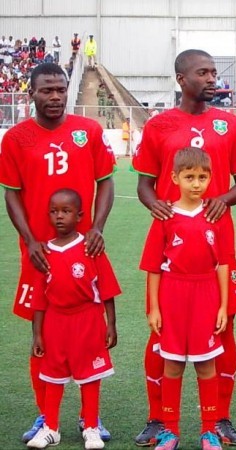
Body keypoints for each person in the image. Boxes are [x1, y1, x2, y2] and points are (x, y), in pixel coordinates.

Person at [132, 49, 236, 447]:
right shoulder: (159, 125)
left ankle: (219, 419)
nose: (212, 78)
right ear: (181, 79)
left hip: (218, 246)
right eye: (203, 72)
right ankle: (157, 419)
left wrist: (225, 199)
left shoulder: (230, 124)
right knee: (161, 329)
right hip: (173, 247)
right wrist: (155, 204)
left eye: (214, 72)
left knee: (224, 327)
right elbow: (144, 184)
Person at [0, 62, 116, 444]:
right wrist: (31, 239)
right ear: (30, 93)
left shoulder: (89, 131)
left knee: (87, 332)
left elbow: (105, 183)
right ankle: (44, 417)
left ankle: (89, 419)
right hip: (39, 254)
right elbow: (12, 194)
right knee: (43, 335)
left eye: (60, 90)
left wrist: (96, 228)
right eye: (46, 90)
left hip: (83, 251)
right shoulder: (16, 139)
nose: (54, 97)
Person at [140, 147, 227, 450]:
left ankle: (209, 431)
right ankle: (170, 430)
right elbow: (152, 266)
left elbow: (224, 263)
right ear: (175, 178)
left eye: (202, 177)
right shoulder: (165, 216)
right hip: (173, 295)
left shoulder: (215, 214)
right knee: (172, 365)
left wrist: (223, 306)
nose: (196, 183)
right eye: (189, 177)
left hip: (205, 294)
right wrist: (153, 308)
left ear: (210, 178)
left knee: (206, 365)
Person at [27, 189, 120, 450]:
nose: (59, 217)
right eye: (54, 211)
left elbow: (107, 289)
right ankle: (51, 428)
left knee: (89, 376)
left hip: (87, 319)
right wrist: (37, 333)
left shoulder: (91, 247)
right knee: (52, 376)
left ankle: (91, 427)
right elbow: (39, 300)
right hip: (55, 322)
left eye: (66, 212)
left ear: (79, 216)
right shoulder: (43, 252)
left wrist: (111, 324)